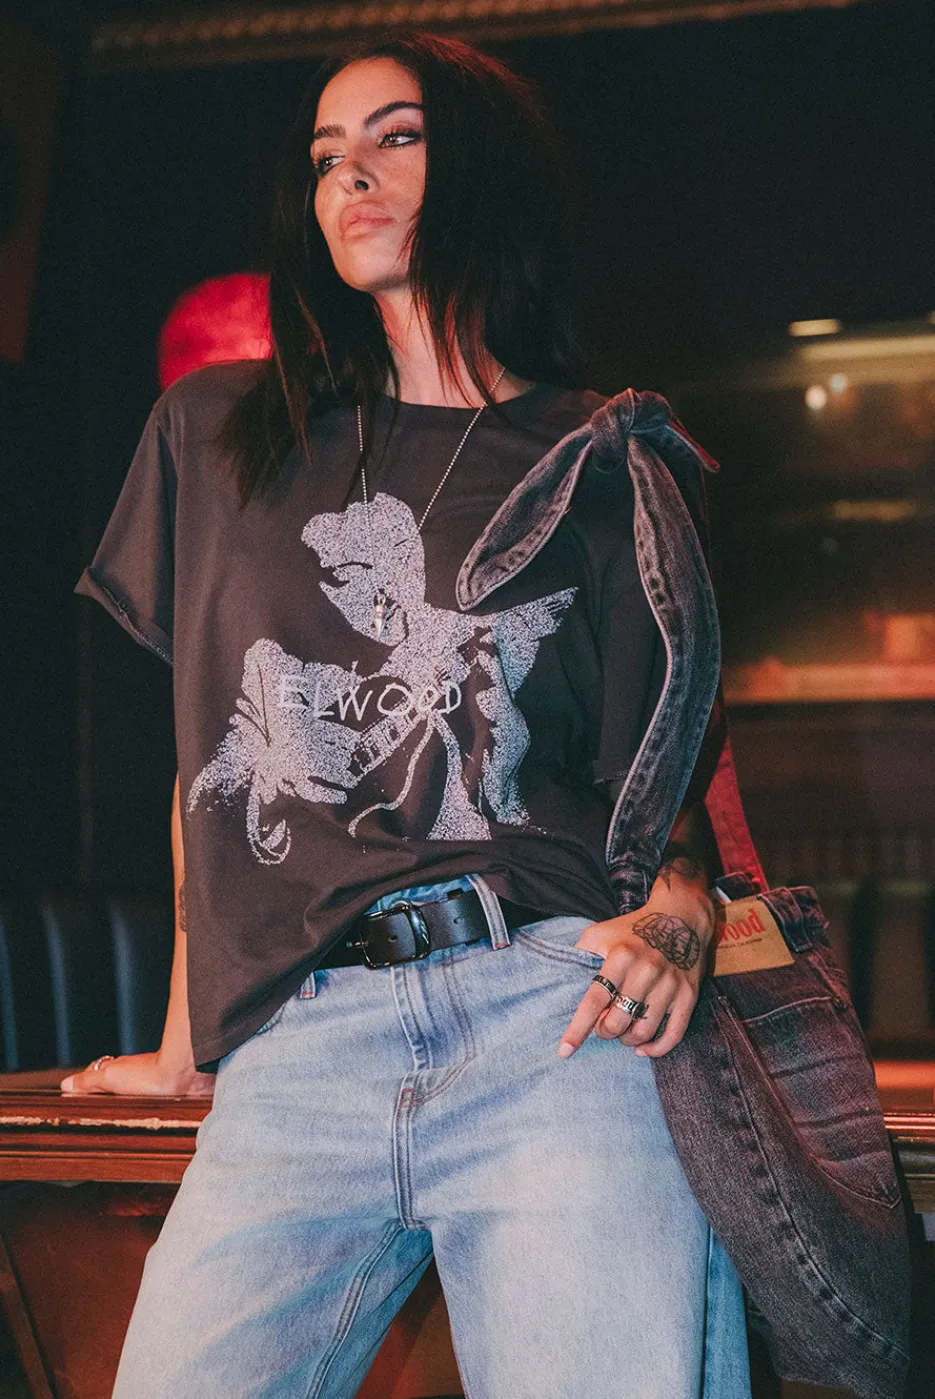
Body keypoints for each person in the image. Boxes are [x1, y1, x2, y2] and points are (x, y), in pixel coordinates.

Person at [66, 32, 751, 1399]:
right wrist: (185, 1046)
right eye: (326, 156)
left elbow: (665, 801)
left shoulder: (602, 459)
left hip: (554, 1021)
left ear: (484, 169)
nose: (350, 177)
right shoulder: (217, 433)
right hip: (302, 1041)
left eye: (396, 136)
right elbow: (215, 762)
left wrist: (682, 919)